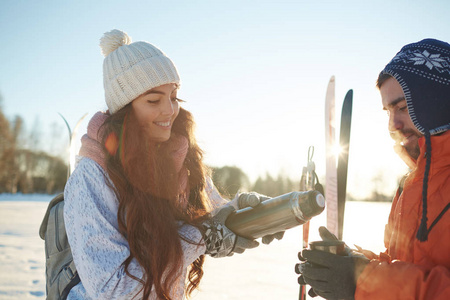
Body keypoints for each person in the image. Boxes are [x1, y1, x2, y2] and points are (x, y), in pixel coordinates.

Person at [64, 29, 282, 300]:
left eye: (174, 96)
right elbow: (112, 290)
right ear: (124, 109)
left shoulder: (177, 157)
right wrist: (202, 237)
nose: (170, 110)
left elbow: (213, 218)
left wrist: (255, 213)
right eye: (154, 100)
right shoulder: (92, 178)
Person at [295, 38, 450, 299]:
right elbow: (402, 264)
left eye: (402, 107)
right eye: (388, 112)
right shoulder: (410, 185)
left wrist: (363, 283)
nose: (393, 125)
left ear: (437, 103)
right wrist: (353, 265)